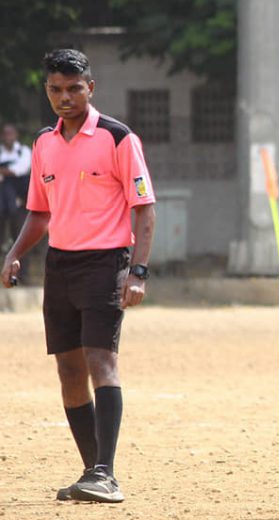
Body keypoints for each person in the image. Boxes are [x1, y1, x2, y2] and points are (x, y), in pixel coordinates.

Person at [0, 49, 156, 503]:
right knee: (68, 369)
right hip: (60, 266)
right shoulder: (44, 142)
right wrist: (12, 254)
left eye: (73, 88)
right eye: (55, 89)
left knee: (99, 360)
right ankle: (92, 471)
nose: (64, 97)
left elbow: (144, 209)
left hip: (105, 262)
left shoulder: (118, 138)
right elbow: (39, 212)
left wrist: (138, 271)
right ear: (47, 90)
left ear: (91, 87)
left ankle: (106, 473)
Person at [0, 123, 32, 254]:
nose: (9, 137)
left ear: (16, 135)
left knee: (20, 235)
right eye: (6, 134)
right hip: (2, 199)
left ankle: (22, 271)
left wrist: (3, 172)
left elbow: (20, 170)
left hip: (20, 201)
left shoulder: (24, 151)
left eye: (11, 133)